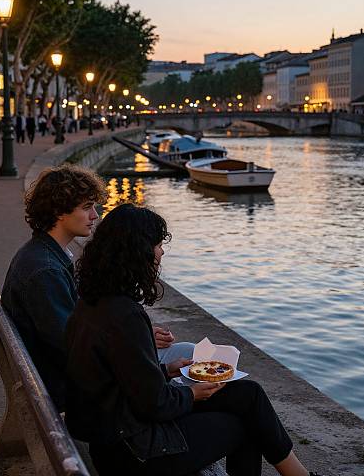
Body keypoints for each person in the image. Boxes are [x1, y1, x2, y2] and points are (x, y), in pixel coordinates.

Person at [65, 204, 325, 476]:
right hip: (135, 452)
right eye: (156, 244)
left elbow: (123, 380)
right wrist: (191, 393)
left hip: (116, 434)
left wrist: (168, 370)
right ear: (136, 252)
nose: (161, 252)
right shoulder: (124, 315)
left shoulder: (94, 303)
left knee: (249, 395)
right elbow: (155, 405)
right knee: (244, 425)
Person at [1, 165, 191, 410]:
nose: (95, 216)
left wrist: (136, 336)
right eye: (87, 207)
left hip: (53, 373)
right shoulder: (45, 271)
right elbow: (74, 348)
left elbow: (78, 332)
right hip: (66, 386)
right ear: (60, 211)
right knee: (195, 361)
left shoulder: (44, 255)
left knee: (188, 353)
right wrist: (133, 342)